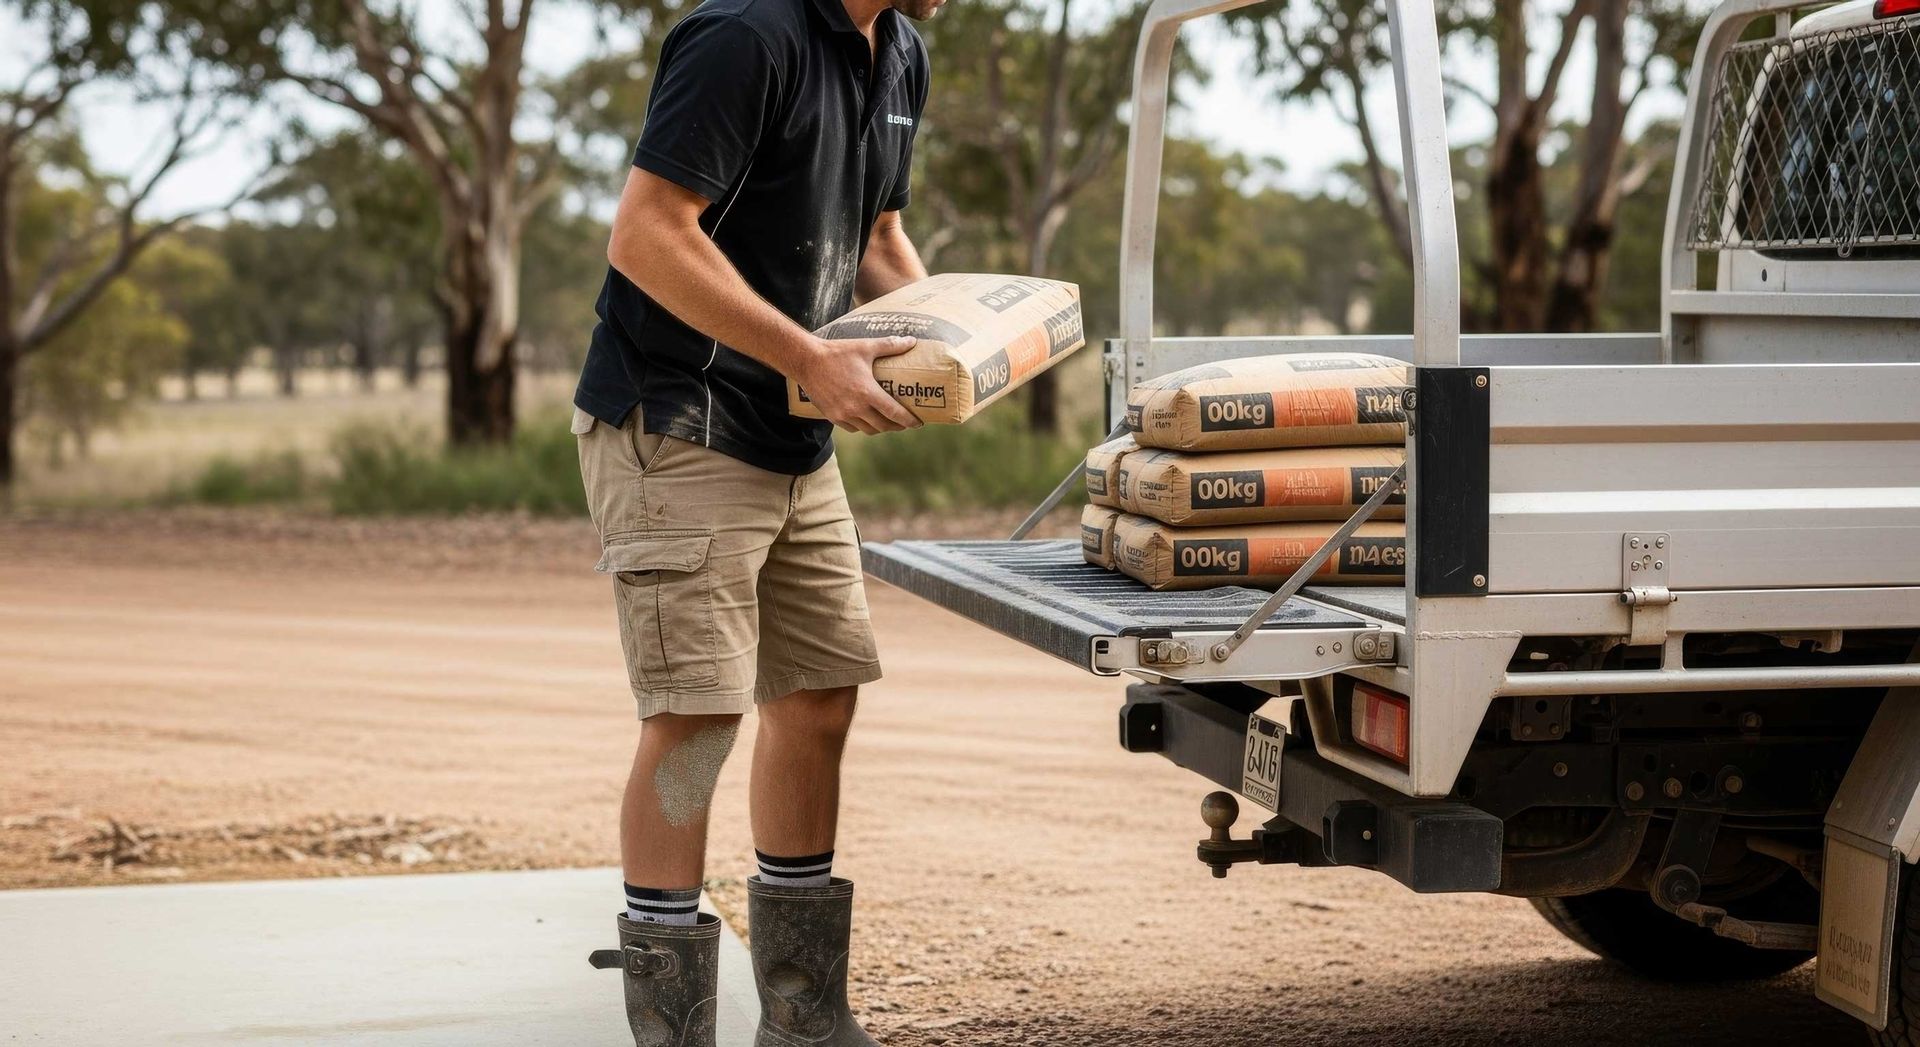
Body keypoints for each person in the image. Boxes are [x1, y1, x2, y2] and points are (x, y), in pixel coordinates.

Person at [573, 0, 943, 1041]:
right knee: (697, 716)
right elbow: (649, 234)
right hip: (680, 421)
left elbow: (877, 237)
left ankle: (802, 1017)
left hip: (795, 431)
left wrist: (960, 338)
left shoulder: (899, 49)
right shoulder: (745, 35)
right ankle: (676, 1027)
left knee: (820, 696)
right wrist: (806, 356)